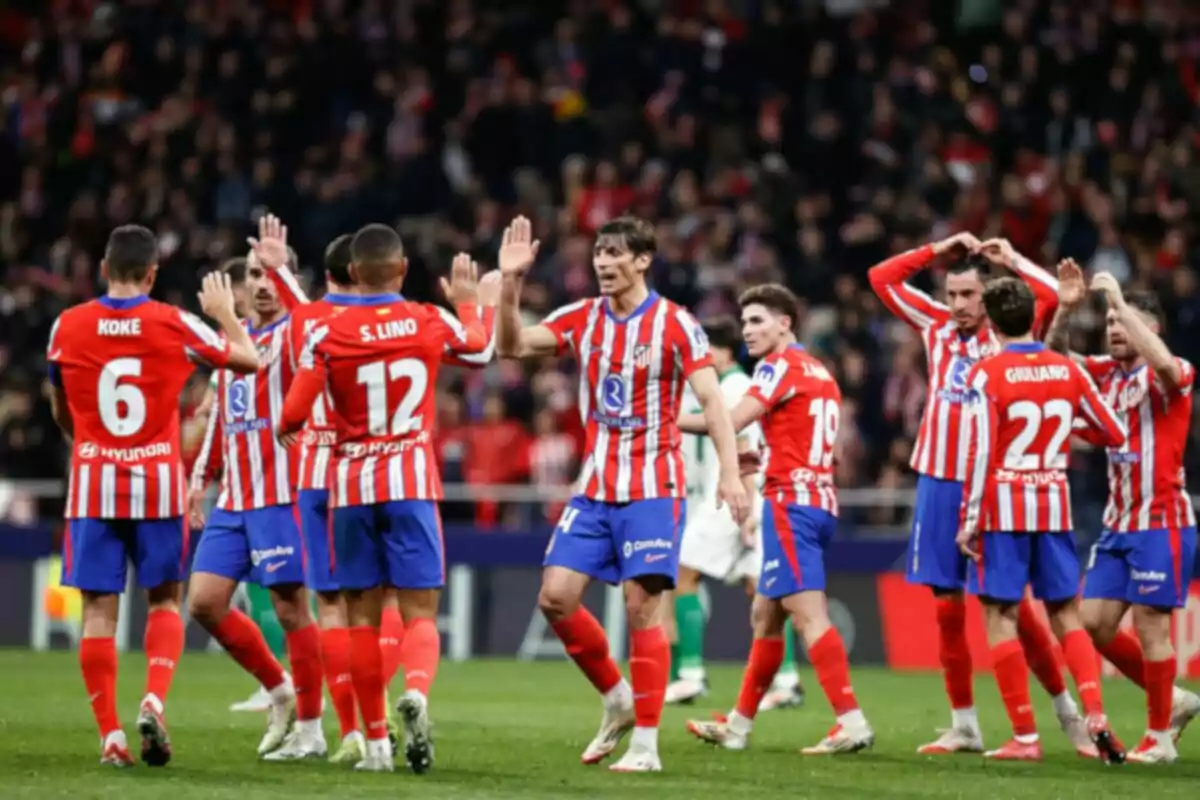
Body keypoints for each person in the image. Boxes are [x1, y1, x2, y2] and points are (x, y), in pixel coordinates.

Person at [494, 215, 749, 773]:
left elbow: (711, 403)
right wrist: (510, 285)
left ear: (642, 259)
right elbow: (510, 347)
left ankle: (646, 746)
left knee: (642, 607)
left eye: (615, 253)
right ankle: (616, 698)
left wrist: (730, 474)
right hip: (595, 487)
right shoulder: (584, 318)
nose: (603, 262)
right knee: (555, 598)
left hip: (654, 487)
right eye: (598, 253)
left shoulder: (676, 324)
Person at [868, 234, 1095, 755]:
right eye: (951, 295)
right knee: (947, 609)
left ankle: (1067, 713)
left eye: (968, 295)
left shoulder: (1011, 337)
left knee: (1019, 609)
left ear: (989, 296)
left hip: (996, 487)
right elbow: (880, 278)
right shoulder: (935, 327)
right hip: (938, 482)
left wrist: (1011, 258)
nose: (958, 307)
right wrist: (939, 248)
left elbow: (1055, 295)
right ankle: (964, 724)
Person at [280, 233, 501, 764]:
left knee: (360, 616)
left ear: (353, 272)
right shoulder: (426, 319)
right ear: (402, 268)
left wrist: (295, 429)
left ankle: (375, 742)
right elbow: (481, 348)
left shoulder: (328, 333)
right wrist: (473, 302)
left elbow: (291, 415)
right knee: (420, 611)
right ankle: (418, 691)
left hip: (351, 486)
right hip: (410, 483)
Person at [45, 224, 260, 767]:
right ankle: (154, 701)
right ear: (152, 273)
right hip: (158, 485)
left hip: (94, 485)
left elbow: (58, 406)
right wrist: (226, 314)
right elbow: (249, 360)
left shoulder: (66, 326)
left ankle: (111, 736)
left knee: (98, 611)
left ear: (102, 269)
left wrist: (89, 444)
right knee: (164, 600)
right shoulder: (174, 322)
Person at [682, 284, 873, 755]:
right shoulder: (818, 371)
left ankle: (851, 721)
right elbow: (801, 437)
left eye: (758, 321)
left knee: (808, 616)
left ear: (785, 323)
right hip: (816, 498)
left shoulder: (777, 366)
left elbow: (728, 420)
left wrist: (659, 421)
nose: (748, 330)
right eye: (744, 322)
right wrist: (759, 464)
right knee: (764, 617)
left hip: (792, 507)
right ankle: (738, 727)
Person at [955, 276, 1127, 762]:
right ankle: (1095, 713)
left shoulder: (986, 375)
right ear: (1034, 316)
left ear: (991, 321)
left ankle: (1025, 737)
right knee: (1065, 614)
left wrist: (968, 520)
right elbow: (1112, 430)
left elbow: (982, 451)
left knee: (1000, 615)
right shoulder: (1068, 371)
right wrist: (1063, 426)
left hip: (1004, 506)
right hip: (1053, 501)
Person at [1046, 260, 1200, 764]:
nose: (1112, 328)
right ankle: (1173, 701)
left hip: (1162, 520)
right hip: (1117, 523)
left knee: (1153, 626)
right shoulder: (1104, 375)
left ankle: (1159, 738)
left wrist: (1116, 298)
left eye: (1122, 321)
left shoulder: (1173, 372)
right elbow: (1053, 363)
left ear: (1147, 328)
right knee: (1093, 623)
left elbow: (1164, 365)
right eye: (1109, 322)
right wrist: (1067, 311)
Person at [186, 214, 324, 759]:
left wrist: (281, 265)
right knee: (203, 602)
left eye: (269, 279)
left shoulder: (293, 338)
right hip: (234, 501)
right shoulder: (229, 350)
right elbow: (220, 417)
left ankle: (312, 730)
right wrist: (201, 480)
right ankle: (278, 688)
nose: (262, 288)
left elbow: (313, 321)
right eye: (254, 278)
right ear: (240, 288)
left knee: (292, 611)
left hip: (281, 496)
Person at [664, 317, 804, 711]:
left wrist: (747, 507)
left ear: (721, 352)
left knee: (682, 571)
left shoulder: (736, 387)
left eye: (704, 349)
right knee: (762, 589)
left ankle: (690, 674)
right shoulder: (734, 386)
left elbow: (744, 440)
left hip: (735, 497)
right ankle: (787, 680)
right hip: (747, 496)